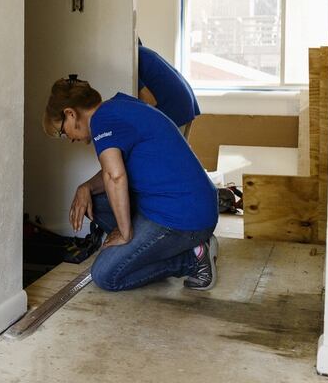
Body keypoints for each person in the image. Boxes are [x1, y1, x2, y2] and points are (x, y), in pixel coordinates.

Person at [43, 75, 219, 291]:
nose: (69, 137)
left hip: (183, 219)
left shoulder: (102, 122)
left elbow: (115, 177)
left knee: (105, 275)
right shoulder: (116, 106)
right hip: (187, 206)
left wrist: (125, 232)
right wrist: (85, 187)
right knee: (93, 201)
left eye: (62, 131)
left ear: (70, 113)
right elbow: (114, 170)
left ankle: (192, 260)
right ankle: (147, 250)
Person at [137, 39, 200, 138]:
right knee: (178, 151)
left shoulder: (132, 62)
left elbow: (149, 101)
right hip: (185, 103)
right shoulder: (143, 52)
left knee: (167, 151)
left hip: (174, 108)